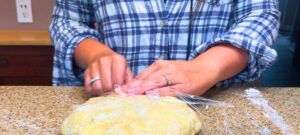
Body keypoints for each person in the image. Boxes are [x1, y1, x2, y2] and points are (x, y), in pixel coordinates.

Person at [49, 0, 280, 96]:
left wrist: (207, 67)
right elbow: (67, 21)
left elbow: (260, 14)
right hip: (121, 102)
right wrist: (96, 54)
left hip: (216, 103)